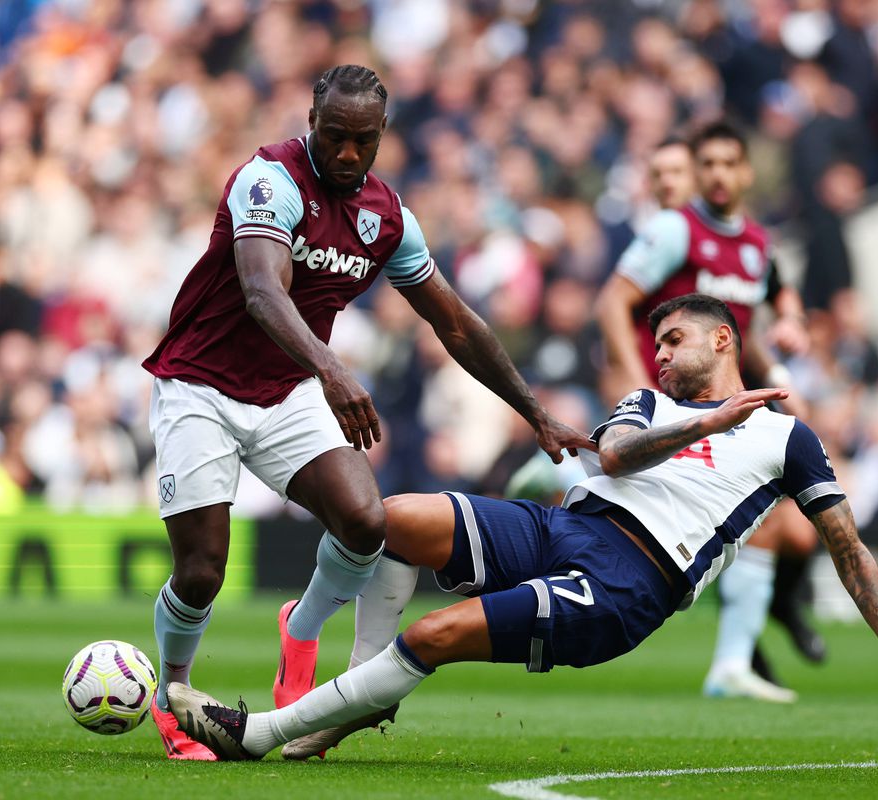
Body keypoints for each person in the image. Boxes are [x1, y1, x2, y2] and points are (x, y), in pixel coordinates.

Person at [164, 294, 878, 762]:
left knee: (441, 632)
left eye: (674, 339)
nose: (657, 354)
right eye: (655, 342)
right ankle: (357, 692)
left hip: (631, 582)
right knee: (385, 518)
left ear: (724, 339)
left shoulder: (784, 435)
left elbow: (847, 545)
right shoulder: (652, 406)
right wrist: (705, 421)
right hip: (568, 526)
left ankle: (260, 733)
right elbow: (617, 456)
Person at [141, 64, 590, 760]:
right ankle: (176, 698)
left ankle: (303, 626)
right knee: (202, 571)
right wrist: (332, 370)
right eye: (334, 136)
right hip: (200, 386)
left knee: (365, 523)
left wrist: (535, 412)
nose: (347, 153)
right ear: (311, 121)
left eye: (363, 141)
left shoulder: (388, 218)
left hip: (286, 390)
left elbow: (459, 325)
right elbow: (262, 291)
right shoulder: (269, 182)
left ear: (383, 135)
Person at [595, 120, 820, 702]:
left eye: (729, 163)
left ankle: (752, 641)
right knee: (762, 524)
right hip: (679, 403)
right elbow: (613, 301)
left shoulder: (755, 244)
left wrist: (785, 345)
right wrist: (639, 383)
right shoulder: (677, 230)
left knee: (788, 531)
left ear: (746, 171)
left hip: (732, 402)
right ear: (699, 172)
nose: (719, 175)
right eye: (709, 164)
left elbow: (763, 305)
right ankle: (742, 653)